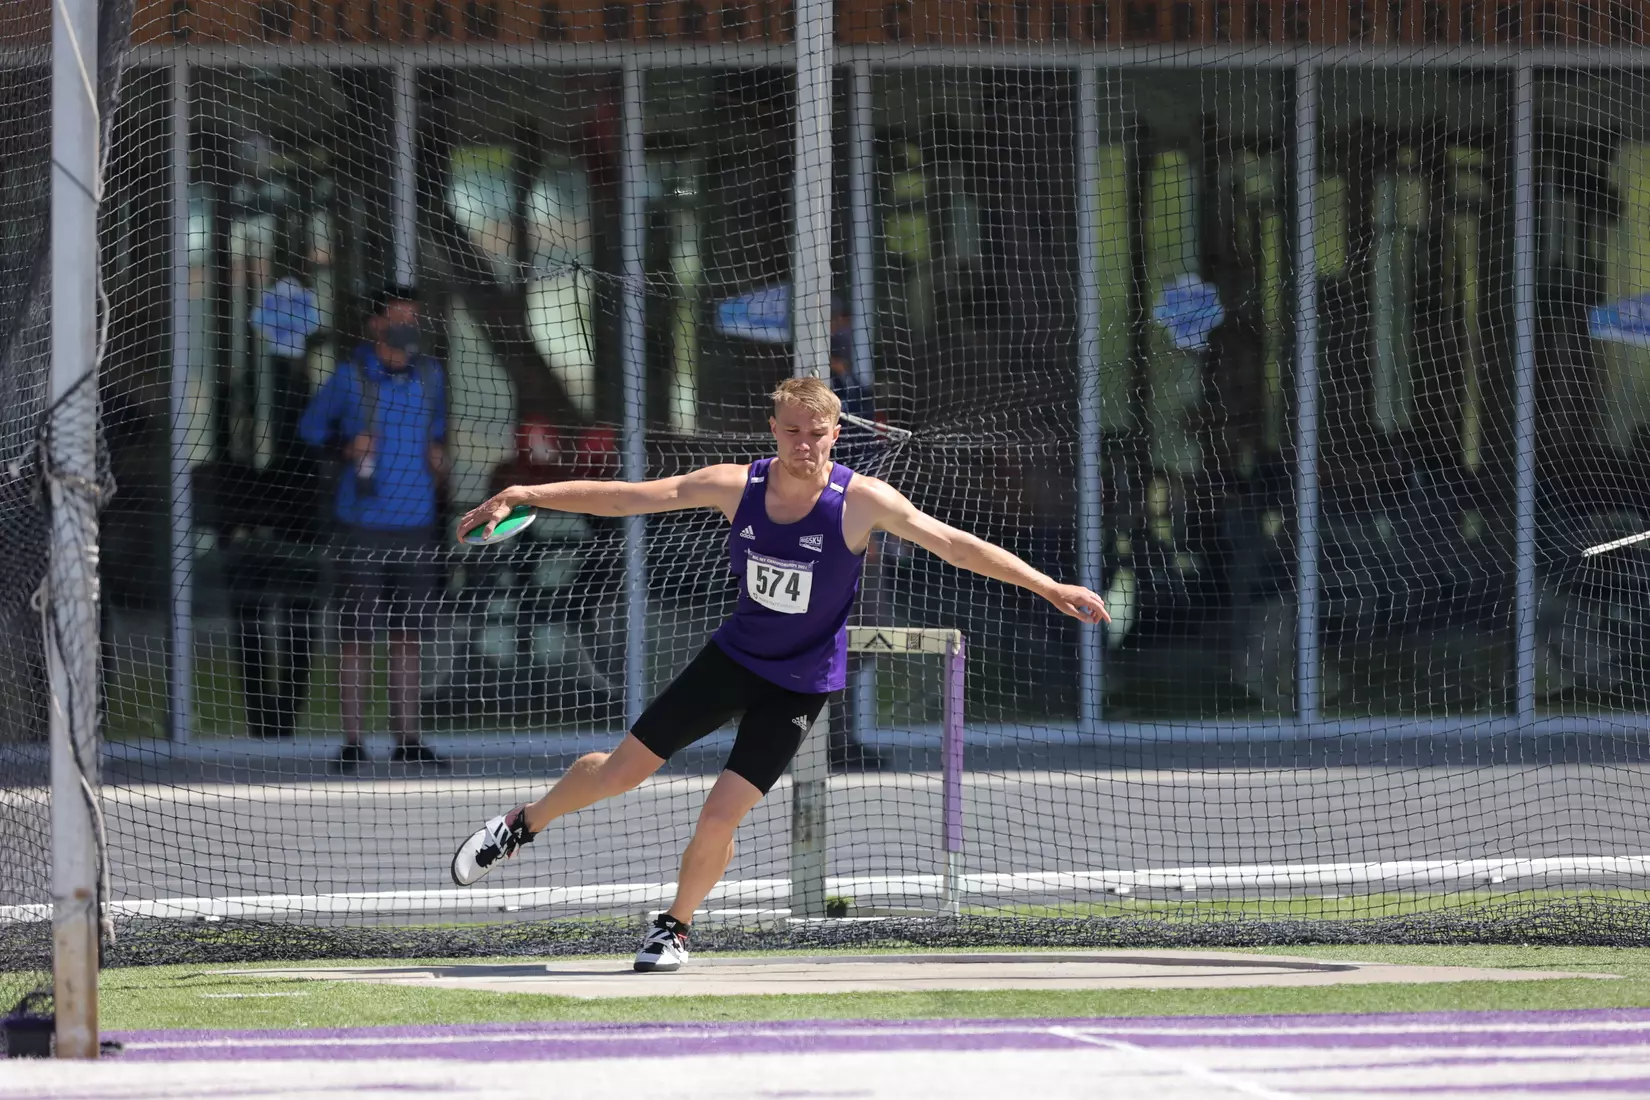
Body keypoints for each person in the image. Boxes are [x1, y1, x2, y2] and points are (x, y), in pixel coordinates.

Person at [447, 377, 1108, 972]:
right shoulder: (738, 486)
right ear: (774, 431)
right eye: (792, 431)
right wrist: (529, 491)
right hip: (732, 661)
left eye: (817, 433)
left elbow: (954, 544)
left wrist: (1047, 584)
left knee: (719, 816)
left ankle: (674, 929)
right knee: (623, 772)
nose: (804, 444)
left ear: (835, 434)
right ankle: (521, 826)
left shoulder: (862, 501)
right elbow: (632, 498)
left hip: (799, 685)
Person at [299, 284, 451, 773]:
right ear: (376, 323)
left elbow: (437, 433)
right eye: (399, 316)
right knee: (357, 636)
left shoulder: (431, 377)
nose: (408, 326)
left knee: (409, 637)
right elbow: (309, 429)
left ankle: (408, 738)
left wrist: (439, 456)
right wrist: (347, 445)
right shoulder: (349, 377)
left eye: (415, 317)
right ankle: (353, 742)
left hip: (417, 525)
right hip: (361, 524)